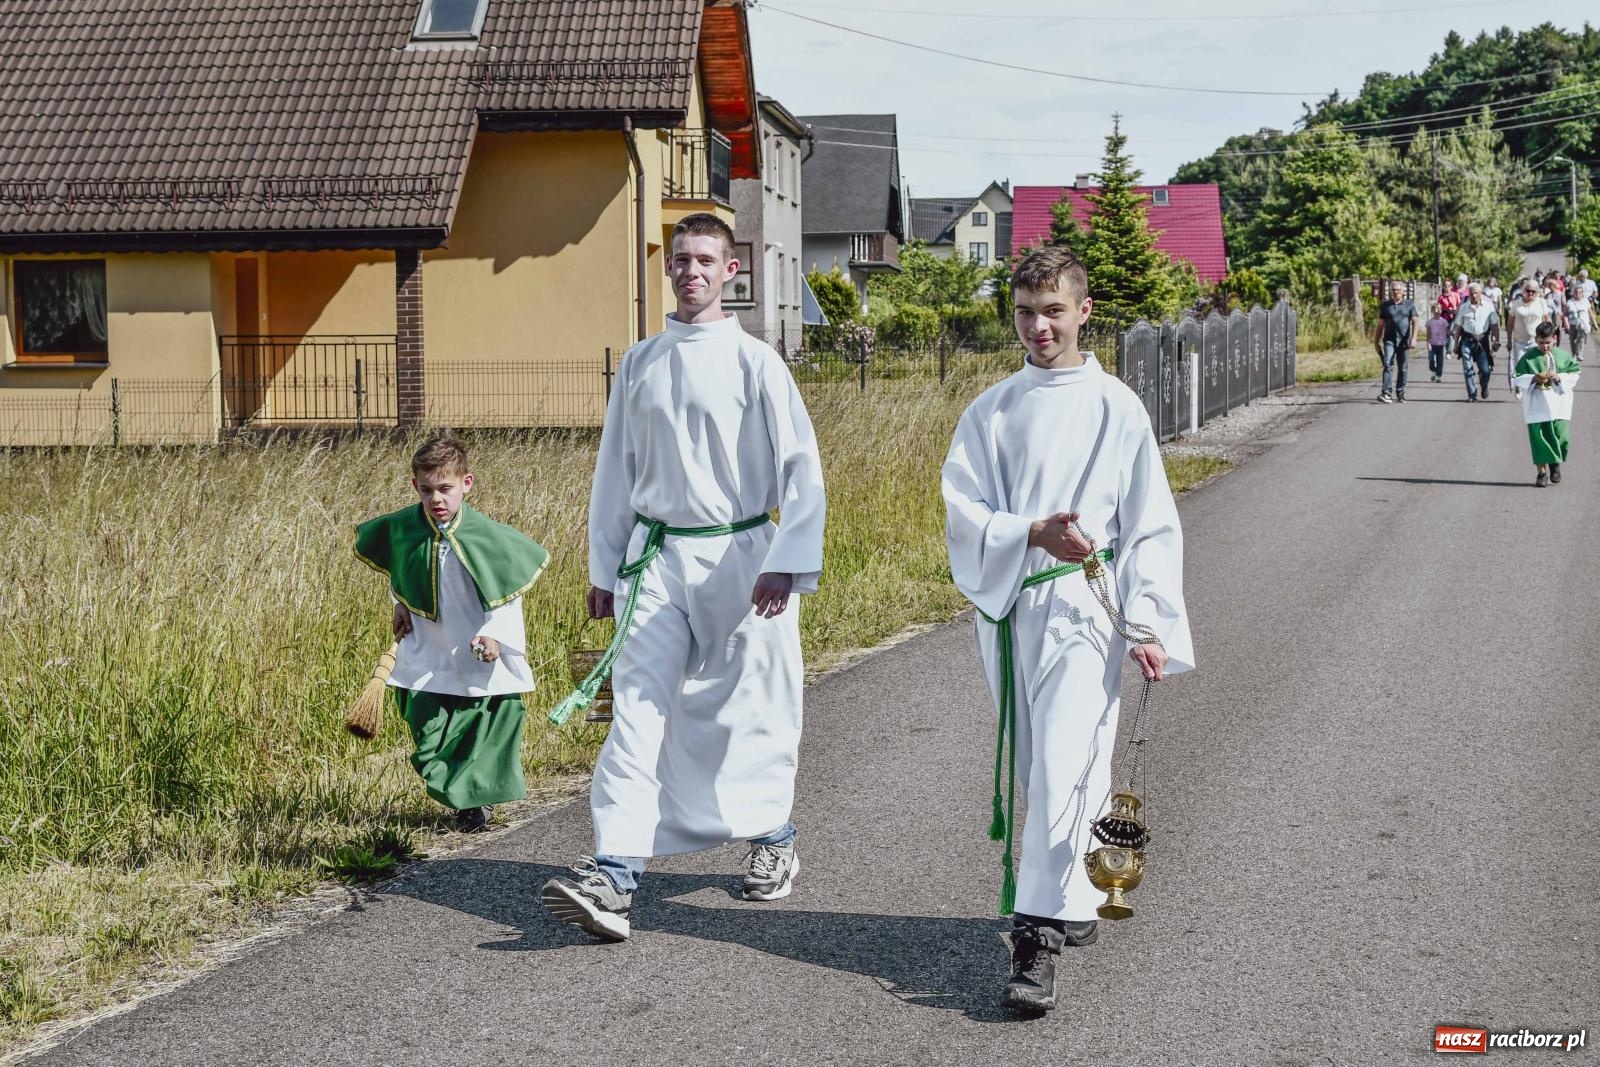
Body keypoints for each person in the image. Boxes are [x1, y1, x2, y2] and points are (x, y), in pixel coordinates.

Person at [540, 212, 826, 942]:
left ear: (731, 271)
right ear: (667, 268)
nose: (689, 270)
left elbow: (801, 467)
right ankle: (614, 872)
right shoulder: (641, 362)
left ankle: (774, 834)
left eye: (705, 259)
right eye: (679, 259)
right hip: (657, 557)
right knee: (636, 709)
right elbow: (616, 471)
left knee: (752, 704)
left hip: (742, 556)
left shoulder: (755, 361)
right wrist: (605, 566)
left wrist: (786, 558)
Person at [941, 246, 1194, 1012]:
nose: (1038, 326)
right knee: (1046, 765)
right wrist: (1027, 533)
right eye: (1025, 312)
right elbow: (965, 512)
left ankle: (1036, 936)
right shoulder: (993, 409)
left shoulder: (1117, 404)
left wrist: (1146, 621)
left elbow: (1149, 520)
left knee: (1061, 760)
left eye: (1053, 310)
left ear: (1084, 311)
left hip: (1090, 606)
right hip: (1016, 603)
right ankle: (1074, 900)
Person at [354, 432, 549, 832]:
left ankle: (473, 804)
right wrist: (400, 603)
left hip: (475, 644)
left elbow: (508, 591)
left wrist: (496, 634)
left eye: (445, 489)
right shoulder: (406, 529)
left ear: (466, 484)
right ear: (415, 487)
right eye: (426, 491)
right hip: (427, 646)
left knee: (481, 719)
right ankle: (457, 788)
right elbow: (400, 569)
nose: (436, 499)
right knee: (425, 726)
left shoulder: (488, 537)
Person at [1513, 322, 1581, 487]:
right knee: (1539, 439)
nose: (1544, 346)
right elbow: (1517, 376)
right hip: (1537, 405)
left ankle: (1555, 463)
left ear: (1555, 339)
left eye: (1548, 342)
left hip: (1559, 404)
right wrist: (1533, 378)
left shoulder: (1563, 356)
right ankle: (1541, 473)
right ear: (1536, 340)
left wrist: (1558, 377)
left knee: (1560, 437)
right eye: (1541, 342)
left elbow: (1575, 373)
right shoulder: (1529, 357)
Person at [1450, 283, 1499, 402]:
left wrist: (1496, 340)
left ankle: (1484, 385)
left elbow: (1494, 325)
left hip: (1482, 342)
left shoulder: (1488, 306)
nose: (1473, 295)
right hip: (1467, 340)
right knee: (1468, 368)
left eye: (1476, 292)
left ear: (1481, 292)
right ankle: (1472, 394)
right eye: (1471, 293)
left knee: (1485, 370)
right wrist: (1455, 344)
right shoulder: (1464, 307)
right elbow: (1458, 328)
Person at [1372, 281, 1418, 402]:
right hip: (1389, 340)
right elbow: (1380, 325)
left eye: (1398, 290)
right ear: (1390, 291)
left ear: (1403, 291)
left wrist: (1413, 338)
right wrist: (1376, 342)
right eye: (1393, 290)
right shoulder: (1385, 306)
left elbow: (1415, 321)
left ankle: (1400, 392)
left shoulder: (1409, 304)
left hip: (1403, 341)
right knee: (1388, 364)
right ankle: (1386, 392)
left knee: (1403, 367)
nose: (1395, 292)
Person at [1505, 281, 1550, 398]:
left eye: (1533, 291)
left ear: (1537, 292)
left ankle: (1537, 386)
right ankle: (1519, 386)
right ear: (1523, 291)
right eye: (1528, 291)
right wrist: (1509, 340)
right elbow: (1510, 323)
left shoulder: (1541, 303)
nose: (1530, 293)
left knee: (1536, 364)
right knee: (1520, 364)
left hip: (1536, 340)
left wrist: (1549, 339)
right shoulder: (1516, 304)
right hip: (1520, 340)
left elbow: (1547, 321)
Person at [1564, 283, 1594, 362]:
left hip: (1583, 324)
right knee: (1572, 340)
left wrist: (1594, 322)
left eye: (1580, 292)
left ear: (1582, 294)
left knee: (1580, 339)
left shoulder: (1586, 301)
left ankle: (1579, 354)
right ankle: (1574, 353)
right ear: (1573, 293)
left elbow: (1590, 312)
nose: (1578, 294)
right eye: (1576, 292)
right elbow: (1565, 314)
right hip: (1572, 324)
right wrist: (1566, 323)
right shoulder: (1570, 302)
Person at [1425, 301, 1450, 383]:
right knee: (1431, 360)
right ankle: (1434, 371)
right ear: (1432, 311)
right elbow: (1428, 334)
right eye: (1435, 311)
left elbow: (1447, 333)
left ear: (1441, 311)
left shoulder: (1444, 322)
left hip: (1441, 344)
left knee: (1440, 361)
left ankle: (1438, 376)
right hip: (1432, 344)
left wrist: (1448, 342)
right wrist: (1428, 343)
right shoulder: (1429, 322)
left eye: (1438, 310)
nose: (1437, 313)